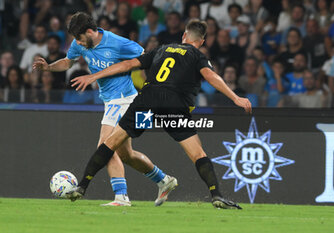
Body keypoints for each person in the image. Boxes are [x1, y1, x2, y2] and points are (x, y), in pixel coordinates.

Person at [69, 19, 252, 209]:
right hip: (173, 108)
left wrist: (94, 76)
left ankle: (82, 186)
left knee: (110, 143)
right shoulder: (197, 55)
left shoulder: (162, 49)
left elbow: (128, 65)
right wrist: (235, 98)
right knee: (197, 153)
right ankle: (216, 195)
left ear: (184, 36)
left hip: (147, 103)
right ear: (202, 42)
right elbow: (210, 76)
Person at [33, 12, 177, 207]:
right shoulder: (80, 43)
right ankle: (164, 180)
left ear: (90, 31)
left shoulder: (118, 43)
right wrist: (49, 67)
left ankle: (121, 197)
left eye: (79, 38)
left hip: (125, 99)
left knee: (105, 147)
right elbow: (68, 61)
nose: (77, 43)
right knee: (126, 155)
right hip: (110, 102)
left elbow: (147, 58)